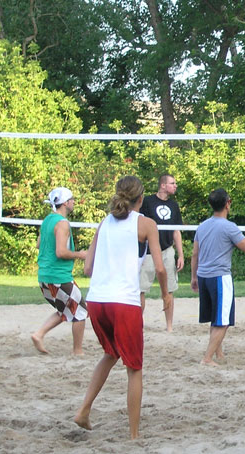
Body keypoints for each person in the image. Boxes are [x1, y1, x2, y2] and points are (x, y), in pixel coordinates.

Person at [74, 176, 173, 439]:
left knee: (111, 353)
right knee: (135, 368)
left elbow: (87, 268)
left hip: (96, 301)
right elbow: (160, 267)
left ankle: (83, 411)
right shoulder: (146, 224)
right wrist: (166, 295)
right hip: (123, 302)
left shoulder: (103, 224)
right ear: (141, 199)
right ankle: (133, 434)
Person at [190, 188, 245, 366]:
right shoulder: (229, 227)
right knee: (222, 321)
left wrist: (193, 277)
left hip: (204, 277)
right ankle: (207, 358)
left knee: (216, 317)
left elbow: (194, 254)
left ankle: (219, 353)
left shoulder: (203, 226)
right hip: (219, 278)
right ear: (227, 203)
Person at [31, 187, 88, 355]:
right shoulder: (62, 223)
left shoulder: (48, 220)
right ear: (65, 203)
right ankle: (77, 351)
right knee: (80, 311)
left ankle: (38, 334)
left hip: (44, 276)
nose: (74, 202)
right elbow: (61, 252)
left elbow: (38, 244)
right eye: (72, 199)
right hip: (59, 276)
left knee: (66, 309)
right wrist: (80, 254)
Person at [139, 173, 184, 332]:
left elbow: (176, 231)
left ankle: (169, 326)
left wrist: (180, 254)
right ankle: (138, 325)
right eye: (172, 183)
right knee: (141, 289)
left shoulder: (174, 205)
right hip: (149, 252)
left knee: (169, 289)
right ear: (163, 185)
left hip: (167, 251)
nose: (175, 186)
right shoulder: (147, 202)